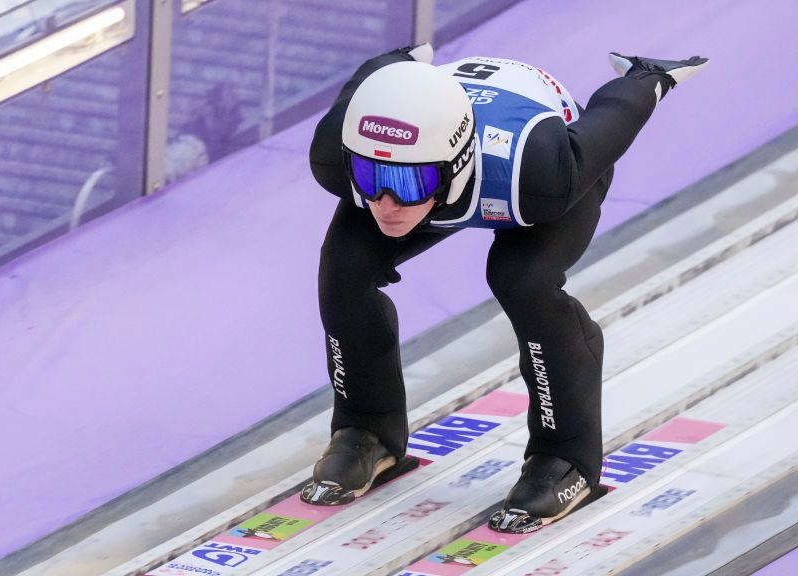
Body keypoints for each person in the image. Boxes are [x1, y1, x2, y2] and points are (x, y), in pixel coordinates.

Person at [301, 42, 707, 534]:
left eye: (407, 184)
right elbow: (370, 79)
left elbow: (614, 116)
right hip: (451, 154)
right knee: (344, 266)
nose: (386, 204)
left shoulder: (540, 172)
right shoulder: (336, 154)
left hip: (523, 168)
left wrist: (647, 78)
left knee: (523, 280)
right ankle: (366, 428)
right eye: (371, 177)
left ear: (458, 163)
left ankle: (564, 457)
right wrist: (401, 60)